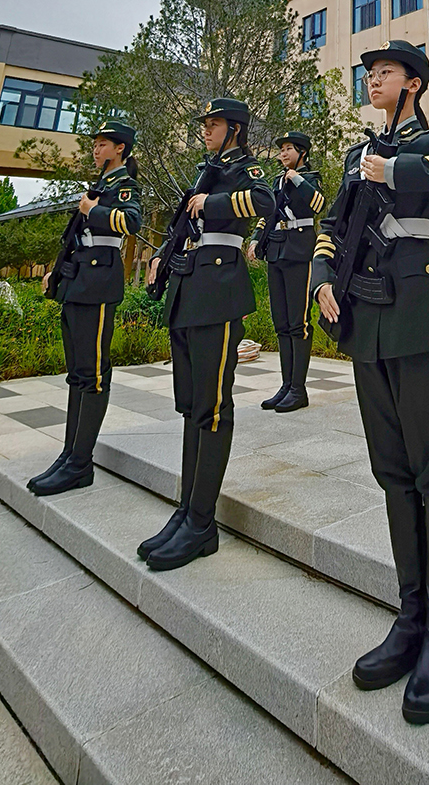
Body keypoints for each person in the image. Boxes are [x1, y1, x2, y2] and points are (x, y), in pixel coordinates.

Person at [312, 41, 429, 727]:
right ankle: (410, 617)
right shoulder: (358, 153)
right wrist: (322, 280)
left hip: (421, 314)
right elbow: (332, 227)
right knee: (392, 472)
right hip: (367, 318)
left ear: (412, 83)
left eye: (384, 72)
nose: (373, 80)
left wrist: (394, 167)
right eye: (368, 74)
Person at [137, 97, 274, 571]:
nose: (206, 131)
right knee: (193, 406)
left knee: (213, 406)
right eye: (205, 124)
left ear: (234, 128)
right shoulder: (205, 170)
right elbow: (182, 224)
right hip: (190, 285)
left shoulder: (245, 169)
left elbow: (265, 202)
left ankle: (202, 523)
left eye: (214, 124)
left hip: (218, 287)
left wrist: (210, 202)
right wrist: (162, 252)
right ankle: (186, 510)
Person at [28, 120, 142, 496]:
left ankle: (80, 463)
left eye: (103, 144)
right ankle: (70, 454)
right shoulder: (99, 185)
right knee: (77, 373)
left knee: (92, 374)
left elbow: (131, 222)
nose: (96, 149)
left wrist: (93, 210)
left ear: (120, 149)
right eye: (95, 144)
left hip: (98, 281)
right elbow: (75, 239)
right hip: (79, 280)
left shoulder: (123, 185)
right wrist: (56, 272)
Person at [250, 130, 324, 413]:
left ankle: (298, 389)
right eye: (281, 149)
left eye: (289, 149)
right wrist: (256, 239)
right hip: (277, 249)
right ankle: (285, 385)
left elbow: (318, 204)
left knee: (298, 322)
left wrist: (298, 180)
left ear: (302, 153)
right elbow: (267, 213)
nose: (283, 154)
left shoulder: (310, 178)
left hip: (299, 250)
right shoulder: (276, 181)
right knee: (281, 322)